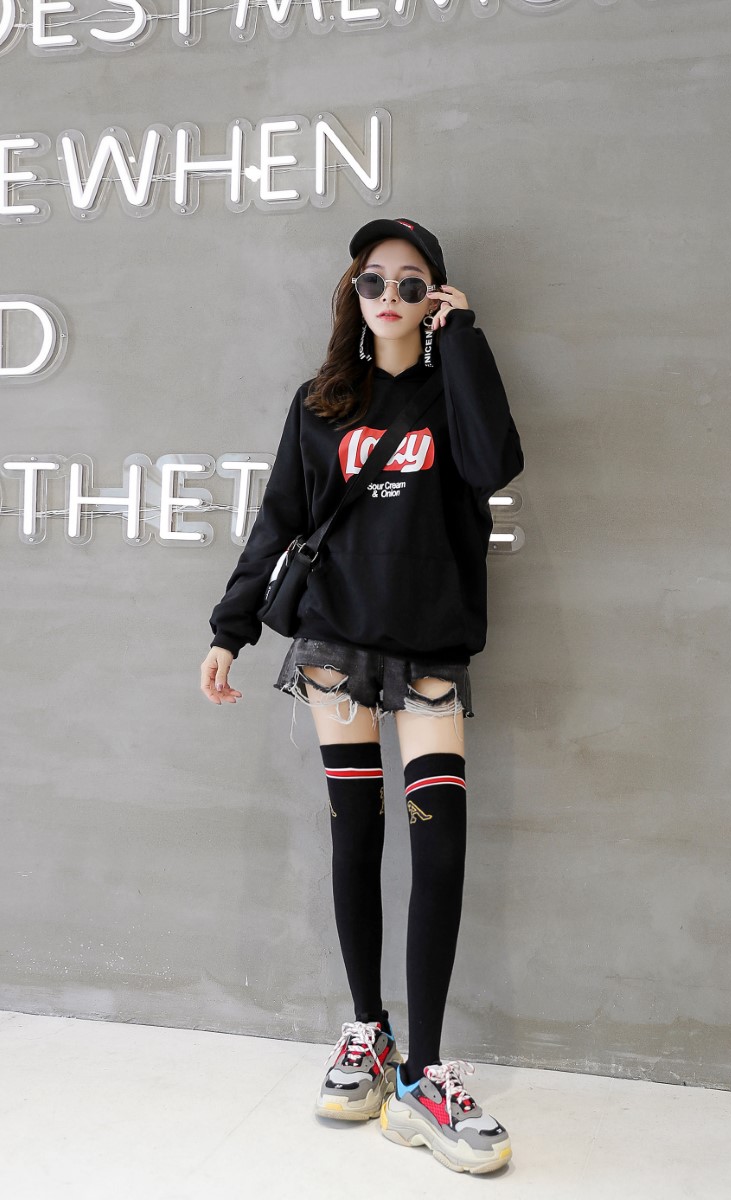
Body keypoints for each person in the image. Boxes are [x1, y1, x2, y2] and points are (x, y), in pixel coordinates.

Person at [200, 217, 523, 1176]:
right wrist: (230, 628)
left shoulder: (455, 384)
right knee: (355, 833)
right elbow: (278, 518)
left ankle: (424, 1075)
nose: (390, 295)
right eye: (374, 280)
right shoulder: (322, 401)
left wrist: (464, 340)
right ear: (354, 293)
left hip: (429, 645)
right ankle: (368, 1031)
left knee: (439, 844)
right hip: (334, 640)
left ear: (436, 297)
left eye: (412, 282)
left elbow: (494, 464)